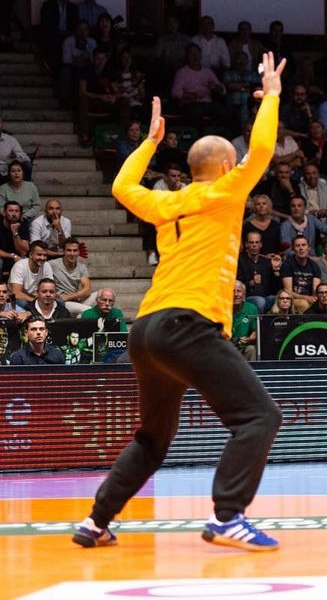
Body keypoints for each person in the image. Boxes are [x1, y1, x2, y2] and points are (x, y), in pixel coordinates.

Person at [72, 53, 287, 552]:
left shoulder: (166, 203)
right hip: (187, 323)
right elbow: (262, 150)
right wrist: (271, 96)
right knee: (259, 416)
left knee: (152, 437)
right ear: (226, 167)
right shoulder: (228, 192)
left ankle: (96, 522)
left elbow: (123, 187)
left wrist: (147, 144)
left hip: (146, 330)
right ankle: (228, 517)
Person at [48, 237, 93, 314]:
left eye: (75, 250)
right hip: (62, 303)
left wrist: (68, 297)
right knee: (89, 311)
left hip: (74, 299)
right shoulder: (52, 264)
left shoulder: (82, 267)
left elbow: (87, 290)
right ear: (64, 251)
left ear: (78, 252)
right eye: (69, 250)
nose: (72, 254)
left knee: (102, 293)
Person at [231, 280, 259, 362]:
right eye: (233, 291)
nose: (236, 294)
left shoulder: (252, 308)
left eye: (239, 291)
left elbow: (255, 331)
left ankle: (252, 374)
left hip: (243, 348)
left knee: (251, 349)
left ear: (244, 294)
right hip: (227, 348)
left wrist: (249, 339)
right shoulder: (222, 308)